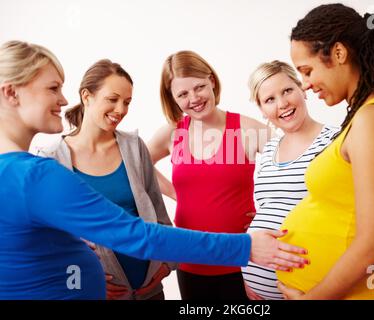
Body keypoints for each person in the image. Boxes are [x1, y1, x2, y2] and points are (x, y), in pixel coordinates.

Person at [0, 40, 306, 300]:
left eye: (128, 102)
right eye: (53, 88)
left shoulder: (30, 173)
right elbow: (135, 235)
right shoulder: (40, 171)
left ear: (212, 81)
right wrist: (246, 246)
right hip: (195, 265)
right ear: (11, 93)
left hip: (169, 281)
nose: (63, 100)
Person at [274, 4, 374, 299]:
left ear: (338, 53)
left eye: (307, 70)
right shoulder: (371, 117)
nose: (306, 84)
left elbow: (372, 248)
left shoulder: (373, 120)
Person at [35, 59, 174, 300]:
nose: (121, 109)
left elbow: (160, 216)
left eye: (127, 102)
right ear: (86, 96)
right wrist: (81, 280)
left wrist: (165, 265)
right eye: (113, 99)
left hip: (151, 291)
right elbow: (45, 242)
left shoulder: (134, 147)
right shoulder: (50, 158)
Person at [147, 50, 273, 300]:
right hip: (190, 259)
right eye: (182, 94)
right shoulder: (173, 133)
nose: (193, 98)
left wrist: (267, 217)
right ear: (173, 98)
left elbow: (292, 166)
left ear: (212, 81)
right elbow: (139, 163)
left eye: (199, 87)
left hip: (244, 261)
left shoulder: (249, 130)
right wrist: (176, 193)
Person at [242, 60, 339, 300]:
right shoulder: (270, 149)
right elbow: (268, 208)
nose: (282, 104)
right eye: (270, 99)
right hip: (255, 292)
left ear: (302, 89)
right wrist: (251, 276)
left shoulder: (336, 141)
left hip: (310, 289)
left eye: (287, 91)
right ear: (262, 110)